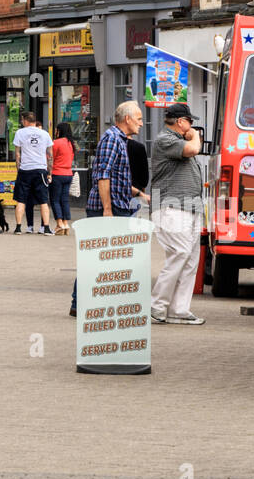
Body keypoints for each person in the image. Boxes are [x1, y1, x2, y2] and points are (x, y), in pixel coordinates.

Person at [70, 101, 146, 317]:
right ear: (127, 119)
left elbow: (117, 178)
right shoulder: (112, 139)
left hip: (118, 206)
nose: (141, 123)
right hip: (108, 209)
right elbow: (102, 175)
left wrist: (139, 194)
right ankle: (81, 303)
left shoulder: (120, 140)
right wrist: (107, 210)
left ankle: (89, 303)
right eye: (139, 119)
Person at [149, 102, 206, 326]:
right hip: (171, 207)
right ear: (181, 122)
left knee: (190, 260)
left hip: (189, 208)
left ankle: (178, 309)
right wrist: (194, 136)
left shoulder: (178, 140)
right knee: (180, 253)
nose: (191, 126)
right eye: (190, 122)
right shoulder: (166, 139)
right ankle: (157, 306)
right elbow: (193, 149)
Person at [12, 113, 53, 235]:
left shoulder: (20, 133)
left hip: (25, 170)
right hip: (40, 169)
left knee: (21, 200)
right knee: (43, 200)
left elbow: (17, 154)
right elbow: (50, 155)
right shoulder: (45, 134)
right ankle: (46, 227)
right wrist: (49, 172)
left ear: (25, 121)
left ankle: (18, 227)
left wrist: (19, 169)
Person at [49, 121, 75, 234]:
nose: (55, 132)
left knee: (55, 200)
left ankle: (59, 223)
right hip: (68, 174)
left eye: (56, 130)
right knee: (64, 200)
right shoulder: (71, 144)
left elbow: (50, 158)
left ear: (59, 131)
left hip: (57, 173)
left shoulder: (56, 142)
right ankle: (65, 223)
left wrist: (48, 172)